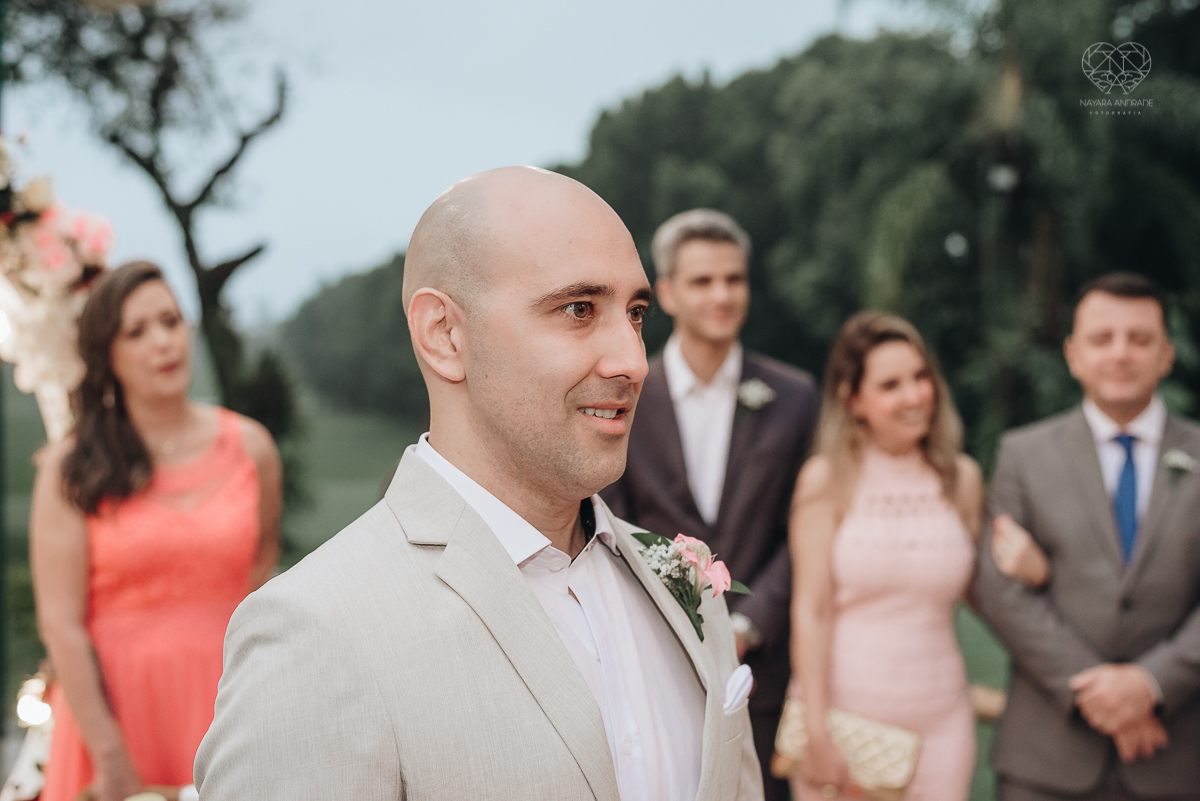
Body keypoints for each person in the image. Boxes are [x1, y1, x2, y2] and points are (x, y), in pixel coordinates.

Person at [194, 167, 762, 801]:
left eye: (633, 314)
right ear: (444, 335)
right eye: (578, 309)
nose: (632, 360)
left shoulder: (683, 582)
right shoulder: (317, 630)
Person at [30, 261, 282, 801]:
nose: (163, 342)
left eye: (170, 321)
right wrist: (110, 757)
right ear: (108, 355)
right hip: (115, 719)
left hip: (229, 707)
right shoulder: (72, 467)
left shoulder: (252, 448)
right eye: (137, 332)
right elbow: (61, 625)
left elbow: (262, 583)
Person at [601, 208, 818, 800]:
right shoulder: (622, 393)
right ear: (666, 292)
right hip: (652, 659)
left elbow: (807, 530)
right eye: (702, 281)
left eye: (734, 279)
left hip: (762, 671)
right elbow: (609, 521)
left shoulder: (795, 398)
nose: (722, 295)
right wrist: (688, 616)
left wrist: (748, 622)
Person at [788, 311, 1046, 800]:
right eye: (890, 385)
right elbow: (812, 611)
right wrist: (819, 734)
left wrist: (1033, 572)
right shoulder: (825, 480)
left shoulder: (961, 479)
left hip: (942, 721)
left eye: (920, 377)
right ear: (854, 400)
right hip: (846, 723)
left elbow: (982, 592)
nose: (914, 396)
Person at [974, 272, 1200, 801]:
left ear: (1166, 355)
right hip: (1047, 760)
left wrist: (1150, 685)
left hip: (1178, 755)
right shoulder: (1022, 455)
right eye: (1102, 339)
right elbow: (1000, 590)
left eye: (1140, 339)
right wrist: (1103, 695)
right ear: (1073, 354)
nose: (1120, 354)